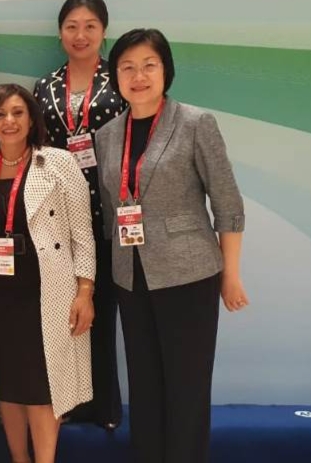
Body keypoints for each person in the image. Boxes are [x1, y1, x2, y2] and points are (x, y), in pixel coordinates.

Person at [97, 28, 248, 463]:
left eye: (149, 65)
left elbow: (228, 205)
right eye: (127, 67)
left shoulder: (196, 123)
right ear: (115, 76)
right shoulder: (107, 135)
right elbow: (111, 209)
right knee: (144, 386)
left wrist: (231, 276)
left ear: (166, 70)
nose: (138, 76)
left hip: (189, 275)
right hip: (130, 276)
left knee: (186, 388)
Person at [0, 83, 95, 463]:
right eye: (0, 114)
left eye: (17, 113)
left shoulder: (59, 163)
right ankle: (19, 458)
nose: (9, 121)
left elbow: (82, 235)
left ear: (32, 119)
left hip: (47, 293)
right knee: (7, 383)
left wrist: (85, 292)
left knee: (42, 386)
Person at [32, 0, 126, 429]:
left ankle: (105, 404)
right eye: (71, 26)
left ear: (104, 31)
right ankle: (69, 398)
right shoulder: (45, 86)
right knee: (63, 311)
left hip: (111, 211)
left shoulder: (121, 79)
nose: (80, 35)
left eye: (90, 26)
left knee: (103, 307)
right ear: (60, 33)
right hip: (61, 215)